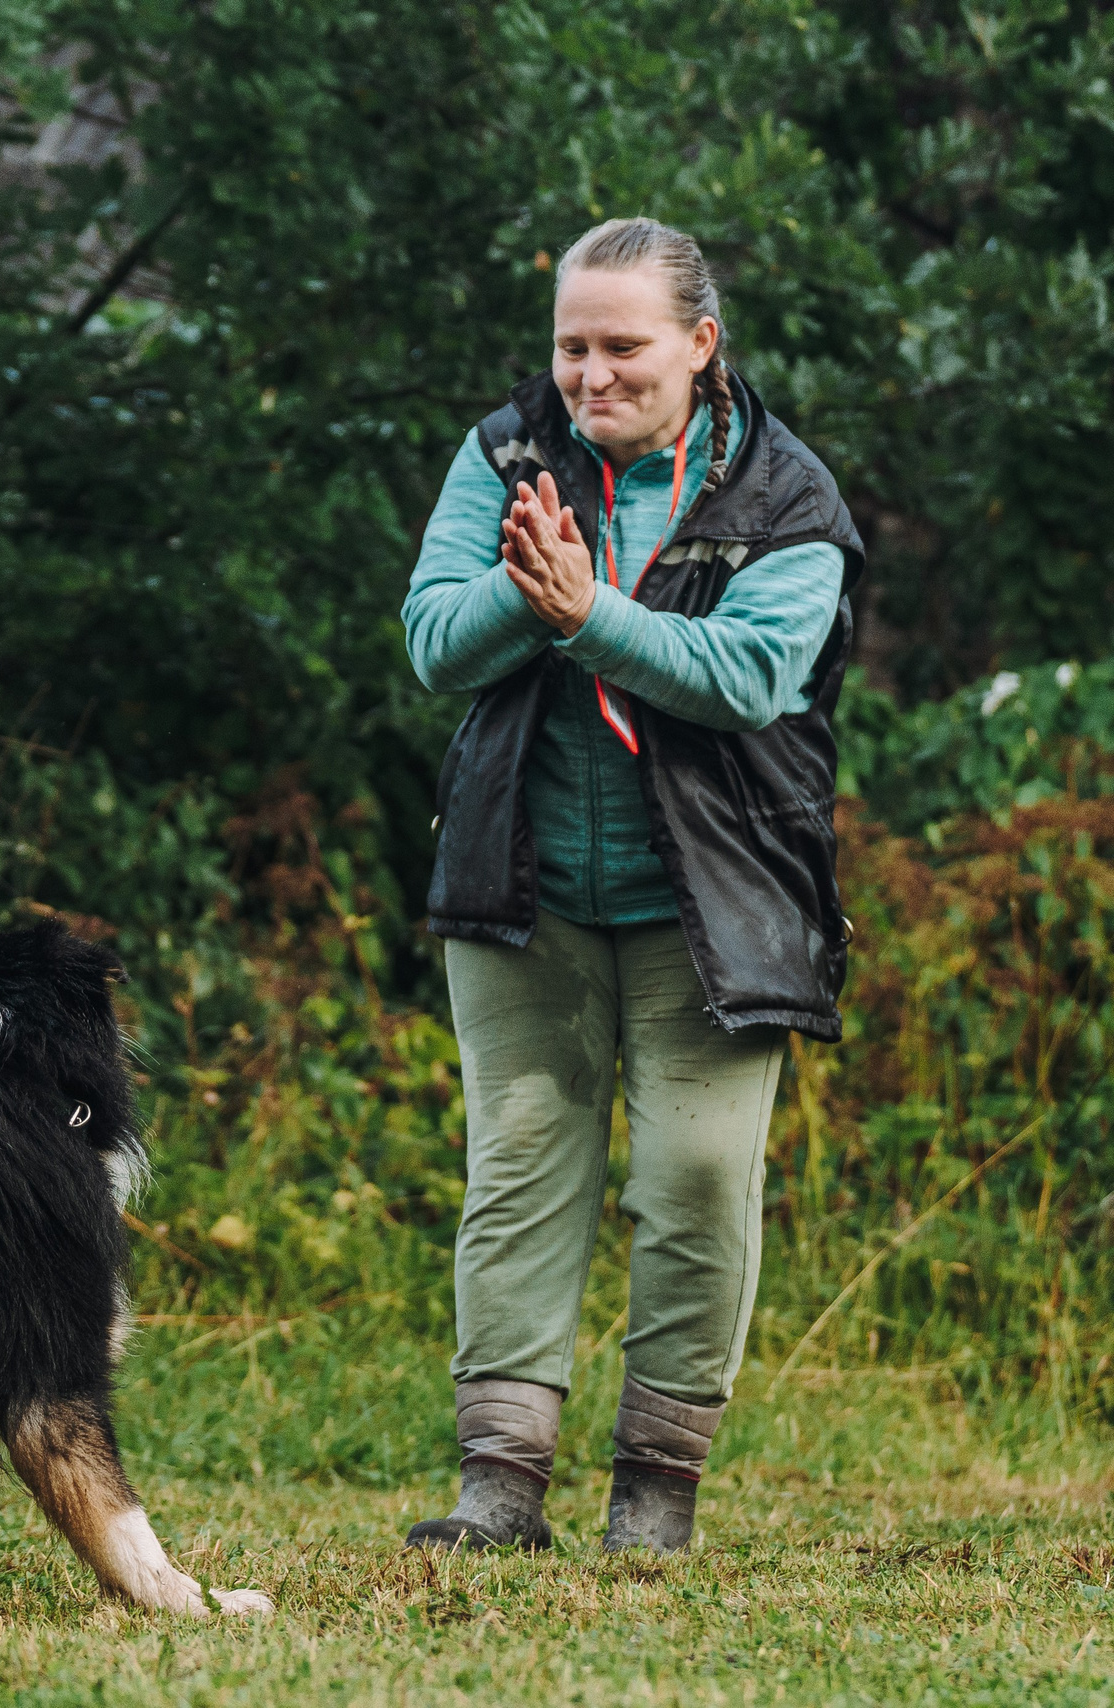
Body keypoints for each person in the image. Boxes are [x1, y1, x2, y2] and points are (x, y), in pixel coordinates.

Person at [397, 217, 864, 1553]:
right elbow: (436, 641)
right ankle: (498, 1489)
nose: (590, 375)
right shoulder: (504, 454)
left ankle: (654, 1496)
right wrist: (526, 597)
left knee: (699, 1180)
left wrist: (583, 612)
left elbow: (747, 677)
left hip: (717, 908)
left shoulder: (788, 496)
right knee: (520, 1173)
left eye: (622, 347)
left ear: (700, 345)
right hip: (523, 890)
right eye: (571, 346)